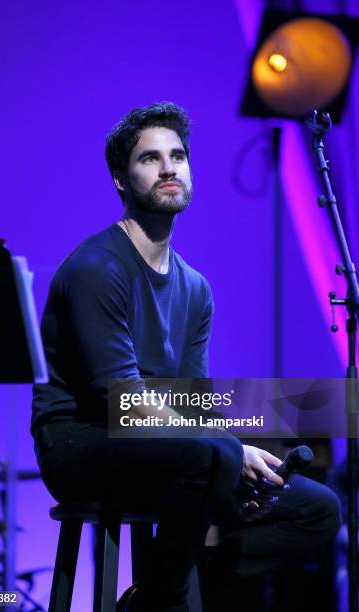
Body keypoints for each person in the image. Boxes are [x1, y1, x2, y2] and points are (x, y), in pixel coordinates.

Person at [31, 102, 341, 612]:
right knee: (211, 455)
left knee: (318, 509)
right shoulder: (96, 268)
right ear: (121, 180)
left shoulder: (195, 288)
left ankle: (155, 596)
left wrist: (241, 454)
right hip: (79, 441)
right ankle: (169, 596)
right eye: (150, 159)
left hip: (168, 446)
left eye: (178, 156)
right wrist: (226, 451)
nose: (169, 167)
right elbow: (123, 403)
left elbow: (193, 405)